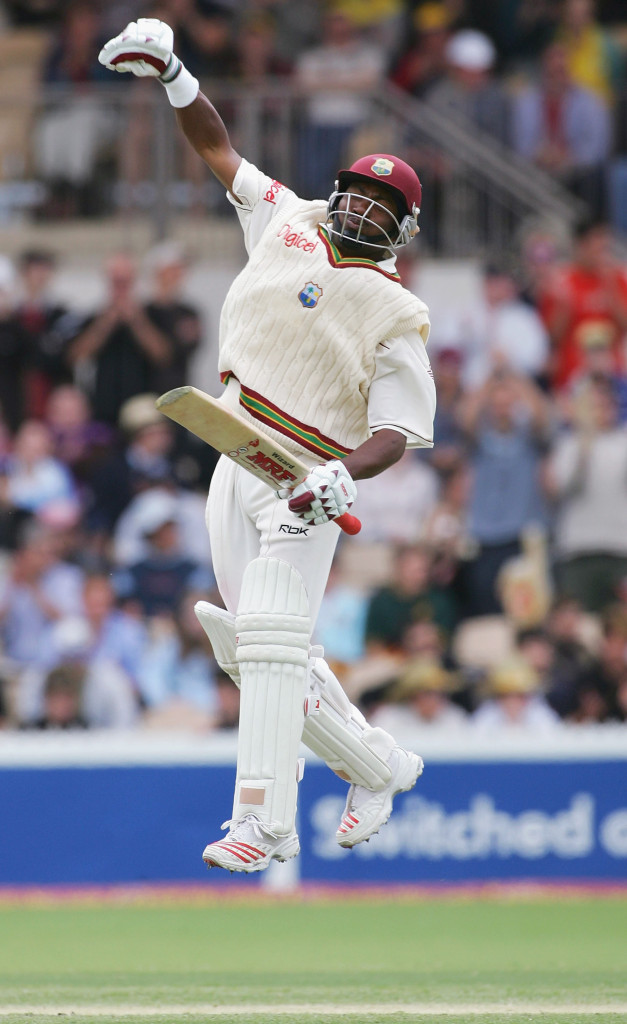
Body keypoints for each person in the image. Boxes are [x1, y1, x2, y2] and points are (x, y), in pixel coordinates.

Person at [99, 17, 435, 873]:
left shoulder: (397, 314)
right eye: (360, 189)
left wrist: (335, 474)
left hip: (305, 474)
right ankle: (377, 765)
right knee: (249, 647)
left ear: (402, 229)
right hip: (233, 446)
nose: (365, 205)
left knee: (275, 644)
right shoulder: (285, 216)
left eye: (385, 205)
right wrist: (173, 70)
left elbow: (396, 432)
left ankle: (264, 822)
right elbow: (215, 145)